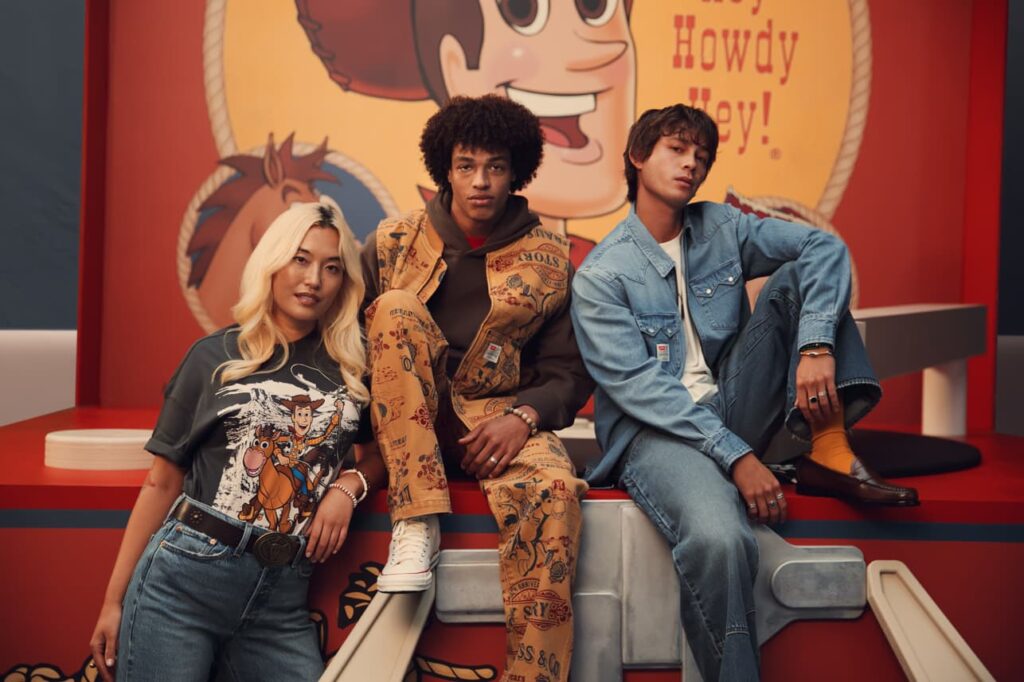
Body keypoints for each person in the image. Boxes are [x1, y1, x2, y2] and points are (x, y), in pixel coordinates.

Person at [570, 104, 918, 682]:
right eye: (676, 149)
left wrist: (814, 347)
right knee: (721, 538)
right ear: (637, 157)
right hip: (658, 435)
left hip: (732, 400)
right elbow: (642, 391)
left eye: (701, 156)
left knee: (797, 276)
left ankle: (829, 447)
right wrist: (737, 457)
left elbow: (824, 249)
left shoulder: (722, 227)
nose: (691, 164)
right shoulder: (601, 276)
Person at [89, 198, 386, 682]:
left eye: (332, 268)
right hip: (183, 583)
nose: (314, 279)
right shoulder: (214, 356)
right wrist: (113, 601)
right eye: (300, 259)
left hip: (281, 596)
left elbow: (380, 455)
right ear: (272, 262)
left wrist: (347, 487)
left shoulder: (355, 365)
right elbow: (161, 483)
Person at [361, 94, 592, 681]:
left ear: (517, 172)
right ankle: (416, 521)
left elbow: (567, 371)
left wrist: (524, 417)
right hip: (400, 426)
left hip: (498, 423)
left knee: (557, 490)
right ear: (446, 168)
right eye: (466, 166)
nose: (481, 182)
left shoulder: (549, 257)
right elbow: (344, 344)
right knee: (393, 308)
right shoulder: (392, 242)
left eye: (495, 167)